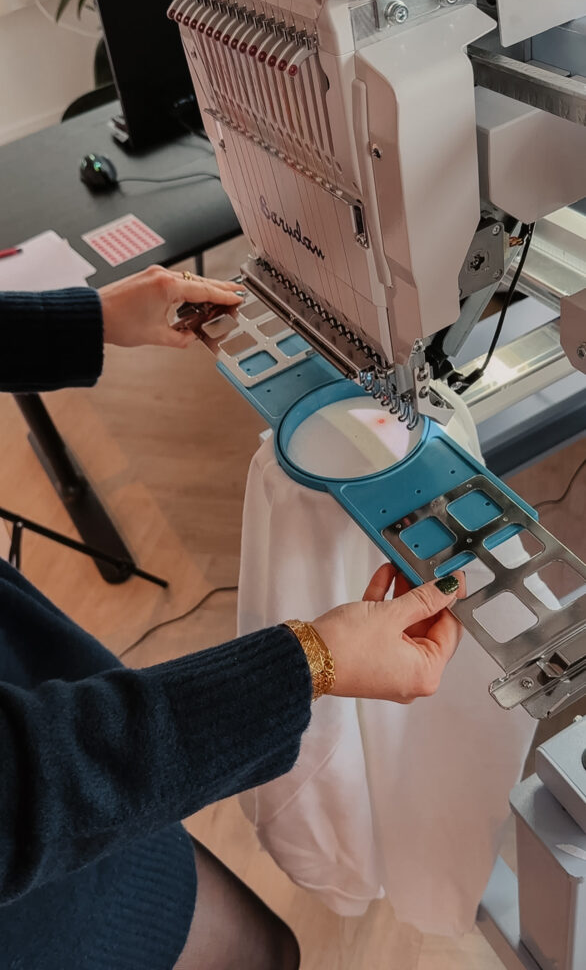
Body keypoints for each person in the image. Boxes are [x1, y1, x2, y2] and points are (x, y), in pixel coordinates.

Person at [0, 265, 465, 970]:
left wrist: (83, 322)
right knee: (258, 951)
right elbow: (26, 791)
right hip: (37, 875)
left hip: (67, 773)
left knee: (265, 945)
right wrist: (308, 660)